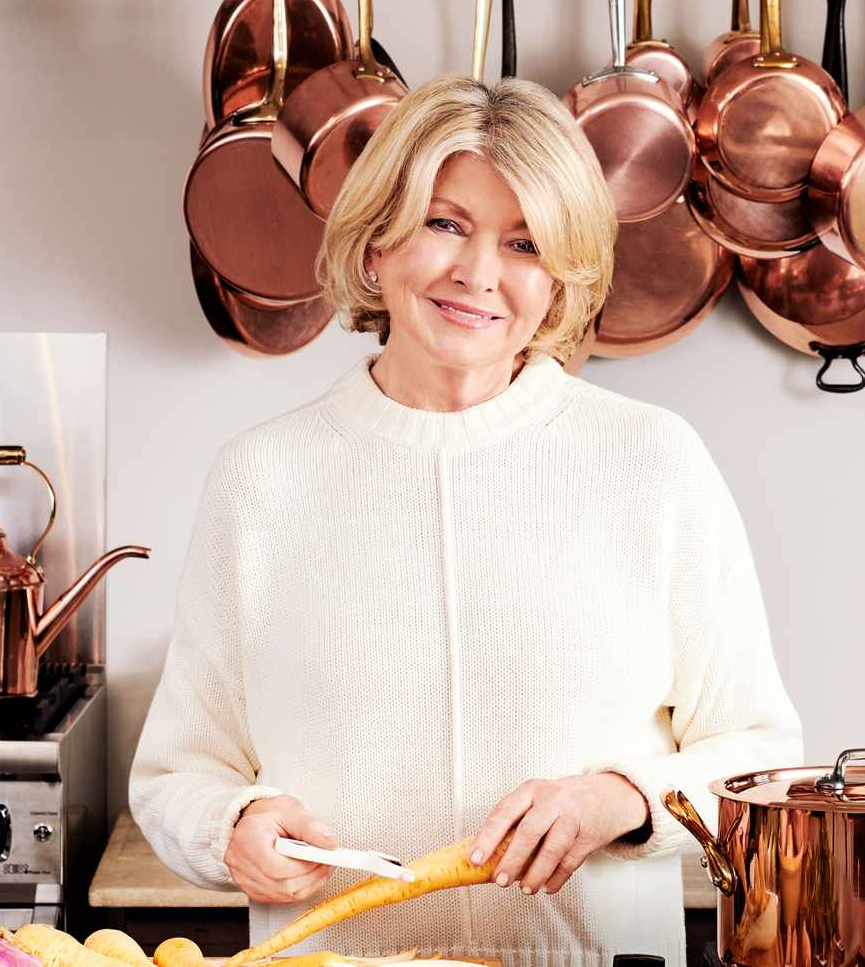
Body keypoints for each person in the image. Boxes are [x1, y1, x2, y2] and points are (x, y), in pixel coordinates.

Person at [130, 76, 802, 967]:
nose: (478, 275)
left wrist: (624, 797)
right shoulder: (264, 478)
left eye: (524, 243)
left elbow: (761, 760)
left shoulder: (650, 460)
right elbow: (180, 770)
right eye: (444, 223)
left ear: (561, 276)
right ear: (375, 243)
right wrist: (232, 826)